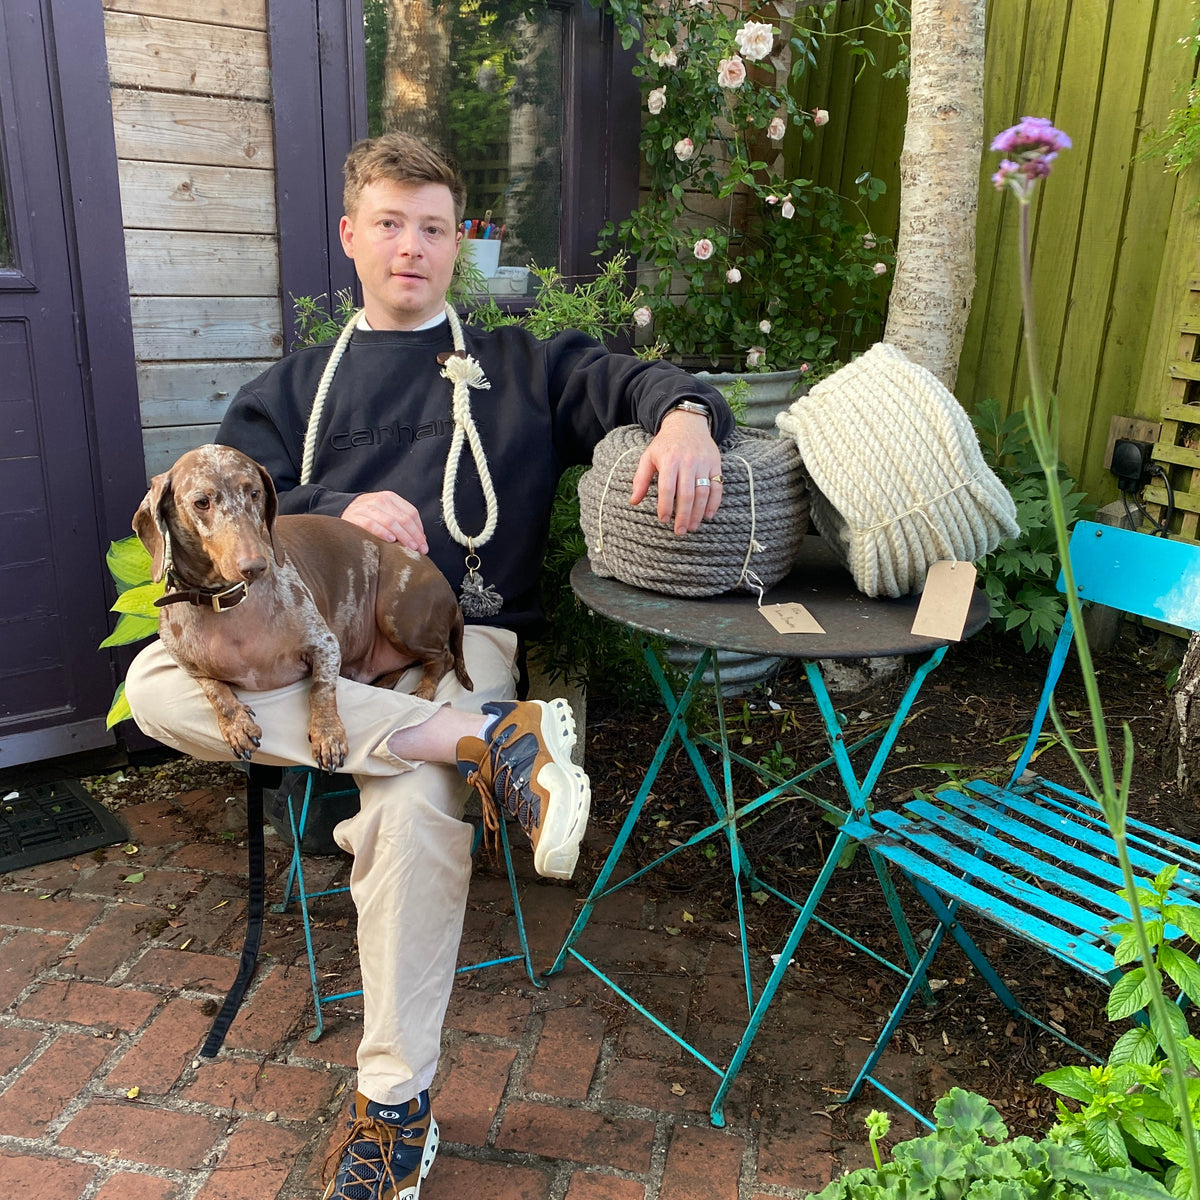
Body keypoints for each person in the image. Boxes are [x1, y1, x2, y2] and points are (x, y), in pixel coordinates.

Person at [124, 130, 733, 1200]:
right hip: (294, 643)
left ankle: (396, 1110)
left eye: (435, 228)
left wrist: (684, 417)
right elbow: (218, 519)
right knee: (151, 684)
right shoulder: (288, 391)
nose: (412, 247)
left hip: (456, 642)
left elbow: (629, 380)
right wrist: (327, 515)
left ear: (461, 243)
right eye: (390, 225)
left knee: (409, 812)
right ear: (352, 237)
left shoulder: (523, 364)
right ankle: (488, 743)